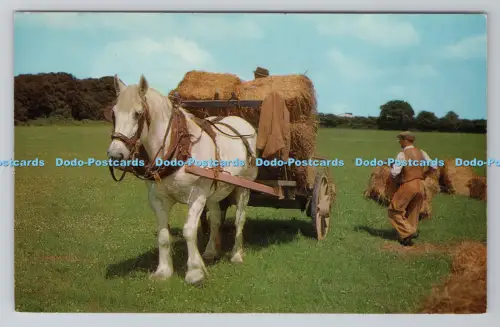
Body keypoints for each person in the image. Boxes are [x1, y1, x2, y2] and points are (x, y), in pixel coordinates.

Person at [388, 131, 438, 246]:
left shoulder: (402, 154)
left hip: (408, 185)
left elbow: (395, 173)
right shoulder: (421, 152)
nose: (399, 142)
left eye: (400, 139)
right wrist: (425, 174)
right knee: (413, 213)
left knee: (394, 210)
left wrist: (393, 177)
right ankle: (406, 239)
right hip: (420, 186)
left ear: (405, 140)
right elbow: (434, 166)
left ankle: (409, 231)